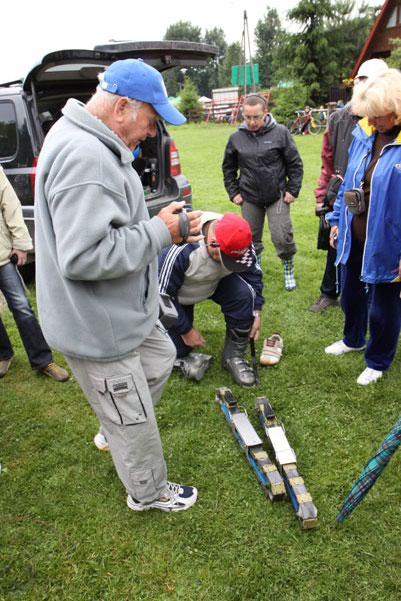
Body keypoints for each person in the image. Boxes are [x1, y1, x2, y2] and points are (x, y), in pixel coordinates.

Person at [34, 59, 203, 512]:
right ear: (123, 106)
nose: (152, 133)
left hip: (121, 312)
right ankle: (148, 493)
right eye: (151, 120)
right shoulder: (86, 156)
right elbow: (83, 256)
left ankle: (115, 425)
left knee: (162, 356)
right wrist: (159, 232)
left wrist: (152, 225)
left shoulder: (89, 139)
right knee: (135, 420)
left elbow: (103, 226)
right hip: (97, 326)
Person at [325, 68, 401, 386]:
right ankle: (353, 338)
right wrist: (335, 220)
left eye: (378, 115)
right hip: (355, 233)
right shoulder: (364, 133)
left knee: (384, 305)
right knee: (351, 293)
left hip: (389, 241)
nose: (372, 120)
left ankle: (378, 360)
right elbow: (348, 183)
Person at [310, 58, 389, 312]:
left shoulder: (388, 121)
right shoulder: (338, 119)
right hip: (342, 191)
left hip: (378, 195)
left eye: (369, 82)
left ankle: (371, 297)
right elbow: (328, 160)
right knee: (336, 243)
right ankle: (329, 292)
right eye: (359, 80)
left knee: (373, 247)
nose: (362, 86)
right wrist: (323, 193)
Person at [158, 212, 264, 387]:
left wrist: (257, 312)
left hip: (216, 282)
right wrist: (186, 330)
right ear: (212, 240)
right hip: (179, 293)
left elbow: (254, 278)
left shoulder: (241, 241)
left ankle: (233, 357)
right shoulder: (181, 247)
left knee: (246, 294)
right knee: (178, 350)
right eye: (224, 257)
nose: (226, 262)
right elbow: (162, 296)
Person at [222, 94, 303, 291]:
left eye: (256, 117)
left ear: (265, 114)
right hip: (249, 196)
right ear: (243, 114)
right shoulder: (236, 138)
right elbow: (228, 168)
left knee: (281, 235)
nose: (252, 122)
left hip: (278, 195)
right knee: (250, 238)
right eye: (247, 117)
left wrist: (292, 189)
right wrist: (234, 193)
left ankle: (288, 268)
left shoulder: (281, 133)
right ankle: (254, 270)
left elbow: (295, 163)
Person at [0, 166, 69, 382]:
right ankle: (4, 354)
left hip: (1, 256)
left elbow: (9, 203)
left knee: (22, 307)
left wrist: (20, 243)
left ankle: (42, 360)